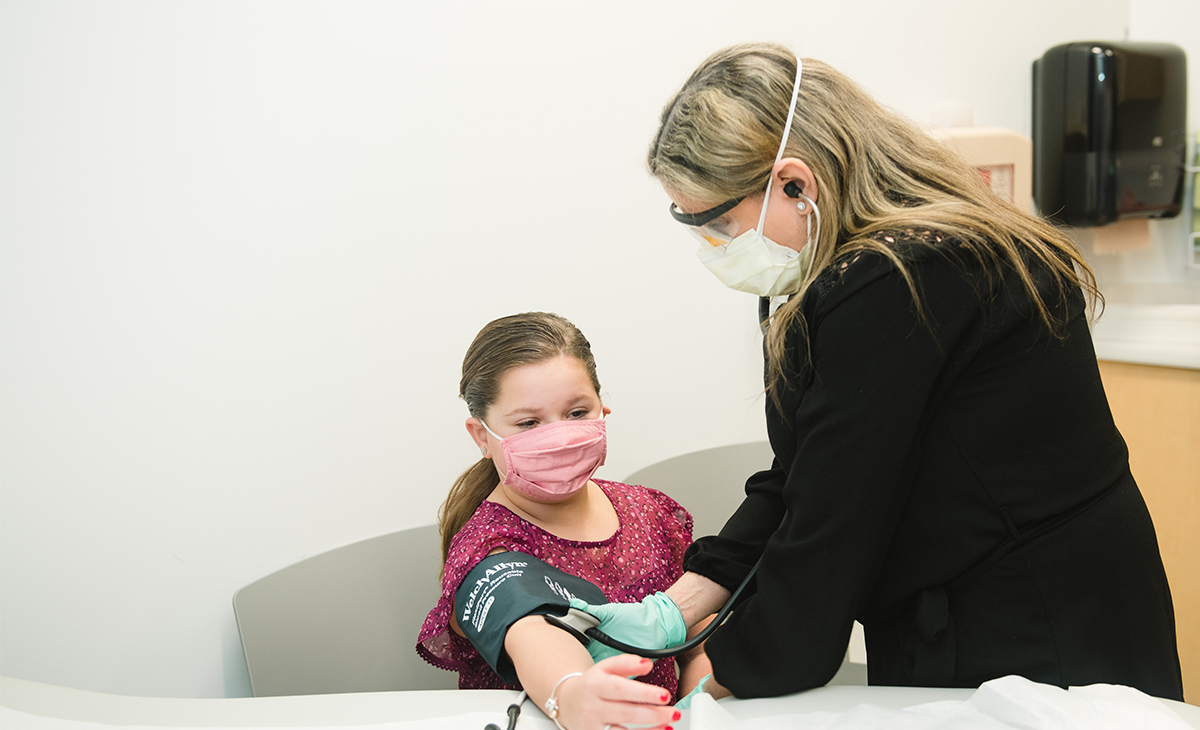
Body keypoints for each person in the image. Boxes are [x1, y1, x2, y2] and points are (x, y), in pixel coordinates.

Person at [572, 42, 1184, 703]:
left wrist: (703, 688)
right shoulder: (908, 252)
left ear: (796, 183)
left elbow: (832, 528)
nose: (715, 247)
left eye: (719, 222)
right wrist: (683, 605)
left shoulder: (900, 283)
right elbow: (804, 471)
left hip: (1031, 626)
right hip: (1040, 591)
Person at [416, 311, 707, 730]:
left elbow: (697, 641)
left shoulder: (650, 511)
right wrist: (572, 692)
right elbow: (528, 627)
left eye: (576, 412)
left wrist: (700, 701)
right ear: (482, 436)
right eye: (529, 423)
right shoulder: (487, 546)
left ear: (602, 410)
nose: (560, 436)